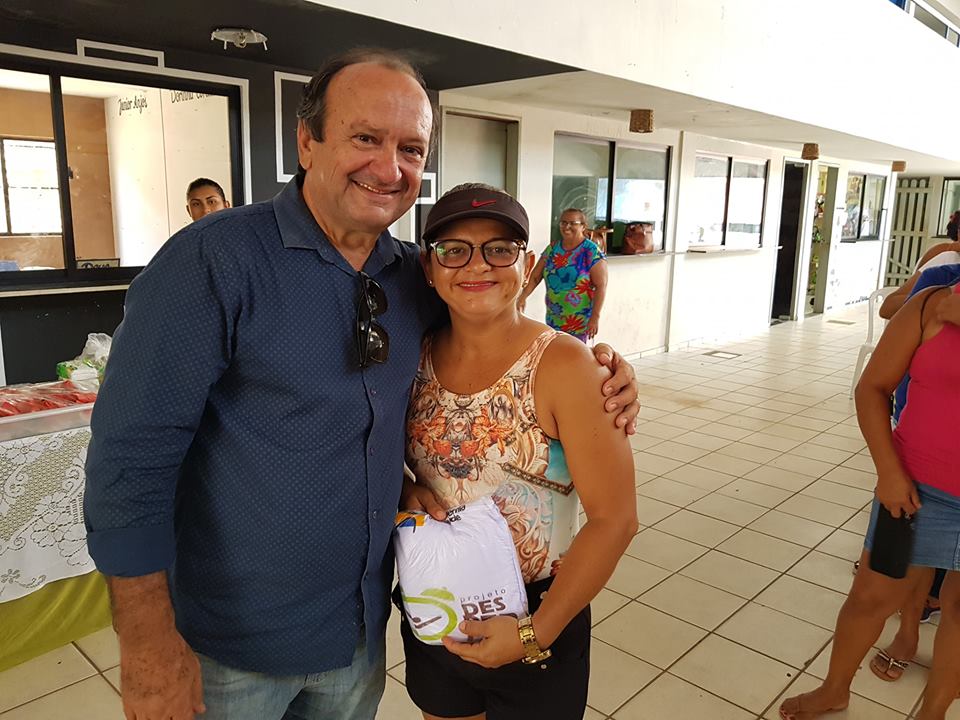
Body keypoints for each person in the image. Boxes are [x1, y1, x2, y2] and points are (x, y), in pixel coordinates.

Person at [83, 49, 640, 720]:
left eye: (411, 148)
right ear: (306, 141)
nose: (389, 167)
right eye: (366, 138)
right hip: (232, 647)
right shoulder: (214, 261)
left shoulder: (413, 278)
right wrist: (146, 644)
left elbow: (476, 348)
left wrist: (602, 369)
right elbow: (130, 457)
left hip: (358, 636)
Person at [399, 184, 638, 719]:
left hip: (539, 612)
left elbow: (616, 519)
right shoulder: (410, 358)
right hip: (435, 600)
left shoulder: (567, 366)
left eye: (499, 249)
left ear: (527, 265)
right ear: (429, 268)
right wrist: (404, 488)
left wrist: (536, 632)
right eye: (454, 250)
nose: (476, 265)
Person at [779, 284, 960, 720]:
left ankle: (932, 712)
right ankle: (834, 689)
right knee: (870, 598)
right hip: (918, 489)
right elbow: (872, 388)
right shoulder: (931, 306)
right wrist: (889, 472)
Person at [519, 208, 607, 342]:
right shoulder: (553, 249)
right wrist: (522, 297)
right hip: (554, 316)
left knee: (575, 352)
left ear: (583, 226)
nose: (567, 227)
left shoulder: (591, 251)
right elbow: (536, 277)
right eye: (563, 223)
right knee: (556, 349)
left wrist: (595, 317)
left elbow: (601, 285)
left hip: (578, 320)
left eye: (572, 223)